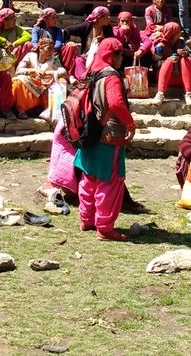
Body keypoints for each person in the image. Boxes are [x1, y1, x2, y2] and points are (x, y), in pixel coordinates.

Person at [74, 37, 136, 241]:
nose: (121, 59)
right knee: (109, 182)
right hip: (108, 135)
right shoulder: (111, 76)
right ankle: (105, 227)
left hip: (88, 132)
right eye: (120, 55)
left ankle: (87, 219)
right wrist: (130, 123)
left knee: (89, 177)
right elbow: (117, 103)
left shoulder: (91, 70)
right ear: (113, 55)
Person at [12, 35, 63, 119]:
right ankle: (21, 110)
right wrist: (34, 71)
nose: (51, 52)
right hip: (31, 83)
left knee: (62, 80)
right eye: (48, 49)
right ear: (40, 48)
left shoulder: (54, 59)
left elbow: (63, 71)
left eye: (52, 49)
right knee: (18, 81)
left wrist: (48, 73)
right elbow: (19, 70)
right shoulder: (30, 56)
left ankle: (50, 111)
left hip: (46, 85)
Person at [149, 22, 191, 106]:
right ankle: (160, 93)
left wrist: (186, 53)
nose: (180, 33)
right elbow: (154, 65)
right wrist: (167, 60)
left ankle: (188, 93)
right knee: (169, 61)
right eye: (178, 32)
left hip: (182, 77)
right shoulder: (160, 46)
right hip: (165, 77)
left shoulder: (181, 43)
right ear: (172, 34)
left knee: (186, 59)